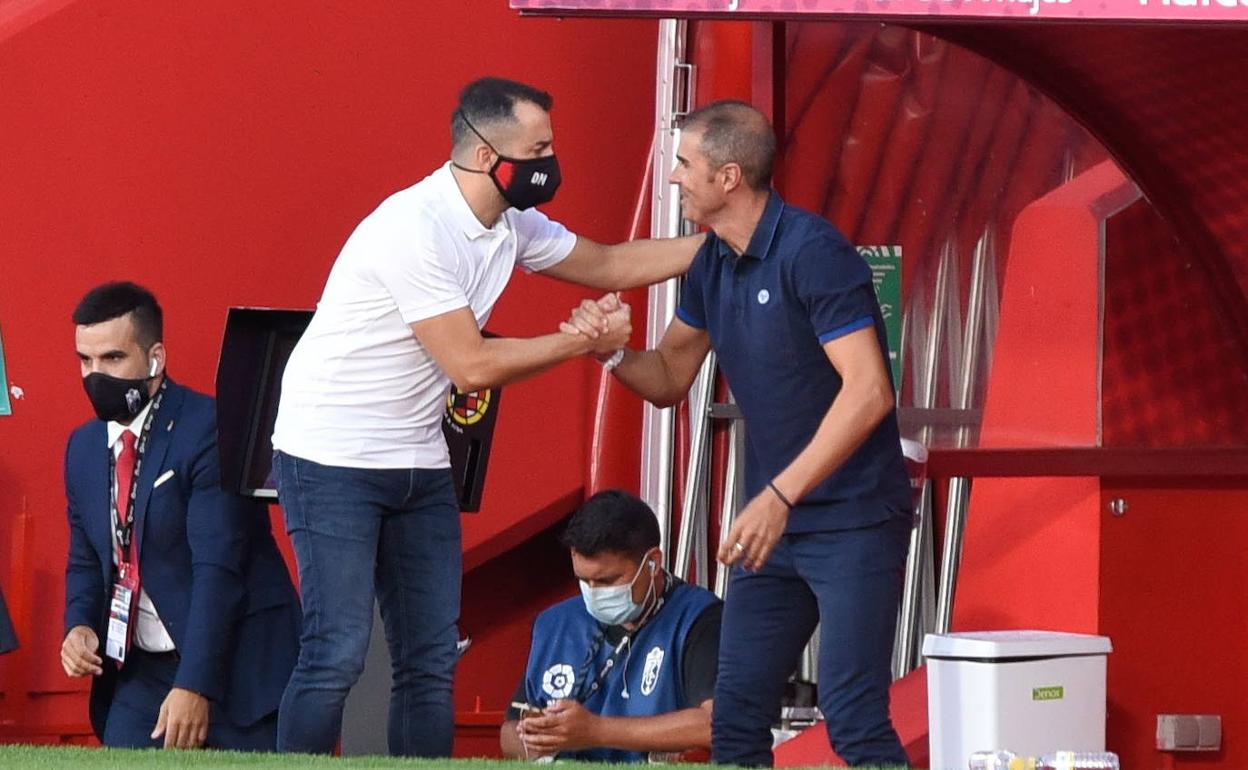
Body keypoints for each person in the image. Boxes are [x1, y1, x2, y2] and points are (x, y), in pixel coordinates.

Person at [269, 76, 702, 757]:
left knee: (430, 657)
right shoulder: (414, 229)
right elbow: (470, 366)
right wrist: (583, 340)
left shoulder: (509, 220)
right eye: (538, 149)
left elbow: (609, 262)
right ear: (481, 156)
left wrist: (724, 245)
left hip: (418, 459)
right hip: (331, 458)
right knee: (337, 650)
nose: (550, 164)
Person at [565, 101, 914, 767]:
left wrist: (777, 496)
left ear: (729, 177)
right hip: (773, 530)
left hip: (853, 522)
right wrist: (610, 352)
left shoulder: (814, 254)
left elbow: (868, 391)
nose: (673, 177)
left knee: (853, 717)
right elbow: (669, 376)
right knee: (736, 717)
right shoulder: (709, 261)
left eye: (684, 164)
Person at [61, 282, 300, 750]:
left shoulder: (209, 429)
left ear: (155, 358)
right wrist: (79, 626)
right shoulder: (82, 448)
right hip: (142, 671)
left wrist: (196, 686)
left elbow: (219, 569)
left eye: (112, 359)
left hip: (236, 668)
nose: (95, 376)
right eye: (84, 361)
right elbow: (87, 559)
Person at [499, 490, 721, 763]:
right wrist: (540, 738)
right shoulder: (554, 623)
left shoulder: (699, 618)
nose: (594, 592)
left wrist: (595, 731)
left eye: (606, 581)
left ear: (653, 562)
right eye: (584, 580)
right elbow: (509, 731)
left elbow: (715, 724)